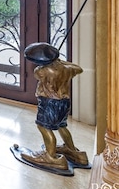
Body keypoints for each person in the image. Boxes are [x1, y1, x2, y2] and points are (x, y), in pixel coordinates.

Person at [20, 42, 88, 170]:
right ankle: (73, 151)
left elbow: (37, 73)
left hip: (49, 102)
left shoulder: (41, 71)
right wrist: (60, 62)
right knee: (62, 125)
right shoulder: (68, 69)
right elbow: (79, 68)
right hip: (64, 103)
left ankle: (50, 157)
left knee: (44, 126)